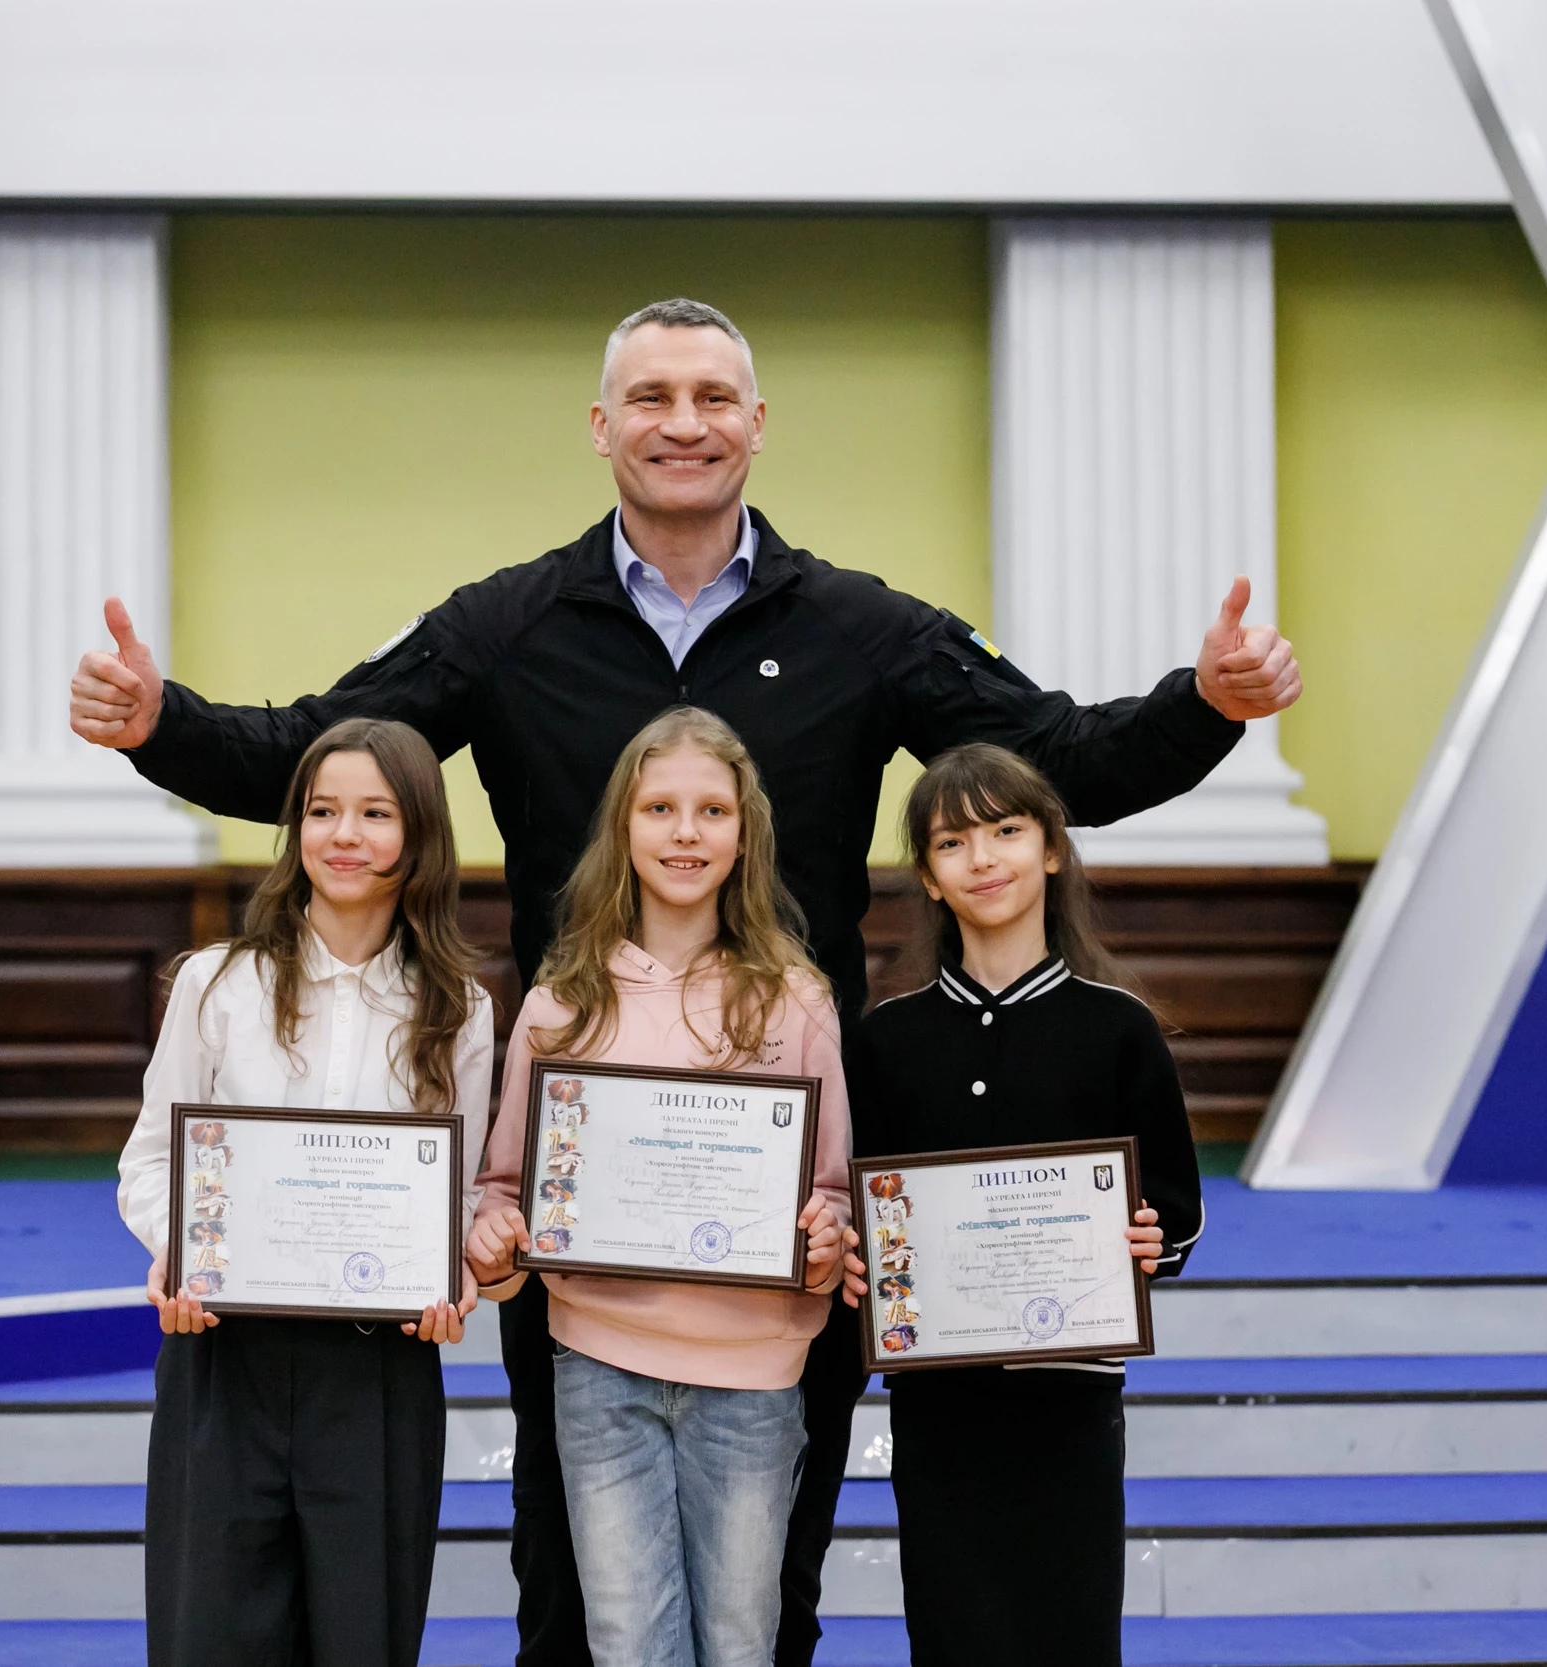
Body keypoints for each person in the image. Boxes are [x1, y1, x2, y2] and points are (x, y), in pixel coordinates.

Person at [70, 297, 1300, 1667]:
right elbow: (319, 749)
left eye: (714, 396)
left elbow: (1057, 758)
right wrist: (157, 724)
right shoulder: (508, 623)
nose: (684, 422)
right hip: (575, 1219)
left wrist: (1209, 704)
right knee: (571, 1584)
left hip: (781, 1220)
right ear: (602, 428)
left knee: (766, 1589)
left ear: (757, 427)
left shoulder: (862, 626)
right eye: (651, 396)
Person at [465, 708, 851, 1667]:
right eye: (662, 808)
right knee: (630, 1646)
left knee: (738, 1645)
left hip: (755, 1379)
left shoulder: (796, 999)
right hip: (600, 1369)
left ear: (744, 833)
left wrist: (823, 1242)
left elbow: (832, 1195)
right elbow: (503, 1191)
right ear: (623, 829)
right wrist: (499, 1249)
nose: (686, 831)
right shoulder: (562, 1004)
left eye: (712, 809)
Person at [116, 717, 498, 1667]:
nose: (344, 834)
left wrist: (453, 1274)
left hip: (375, 1372)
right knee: (209, 1636)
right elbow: (151, 1162)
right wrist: (181, 1249)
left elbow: (459, 1194)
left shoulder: (460, 1008)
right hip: (221, 1354)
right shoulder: (216, 983)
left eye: (374, 812)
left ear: (417, 835)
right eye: (322, 811)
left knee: (363, 1637)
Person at [841, 743, 1204, 1667]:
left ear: (1051, 849)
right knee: (954, 1628)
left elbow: (1176, 1212)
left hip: (1070, 1401)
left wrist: (1148, 1237)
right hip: (937, 1407)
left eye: (1008, 829)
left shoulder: (1117, 1026)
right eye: (954, 840)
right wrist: (859, 1261)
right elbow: (869, 1206)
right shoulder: (889, 1038)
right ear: (927, 875)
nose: (984, 856)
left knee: (1069, 1630)